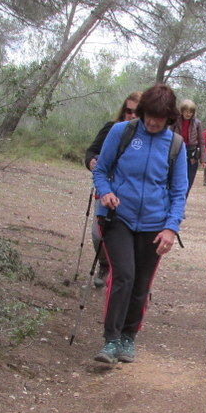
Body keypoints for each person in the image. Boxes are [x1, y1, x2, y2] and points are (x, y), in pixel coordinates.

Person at [91, 84, 188, 367]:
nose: (152, 121)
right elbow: (100, 170)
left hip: (154, 224)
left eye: (159, 117)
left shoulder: (175, 145)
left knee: (141, 284)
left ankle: (128, 336)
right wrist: (105, 191)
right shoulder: (122, 132)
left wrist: (171, 228)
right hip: (118, 216)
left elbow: (178, 191)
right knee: (124, 275)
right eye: (148, 114)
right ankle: (110, 339)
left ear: (169, 118)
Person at [84, 91, 142, 287]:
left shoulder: (148, 137)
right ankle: (105, 263)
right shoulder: (112, 128)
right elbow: (92, 150)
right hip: (106, 186)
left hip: (133, 194)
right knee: (98, 234)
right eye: (128, 111)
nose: (132, 115)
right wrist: (91, 161)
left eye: (137, 112)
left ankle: (123, 274)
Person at [173, 99, 203, 194]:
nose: (188, 114)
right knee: (174, 180)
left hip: (191, 156)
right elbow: (168, 136)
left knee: (188, 182)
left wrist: (204, 159)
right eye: (186, 111)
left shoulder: (197, 123)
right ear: (182, 111)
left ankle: (181, 202)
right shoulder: (174, 121)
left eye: (190, 112)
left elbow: (201, 142)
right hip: (176, 152)